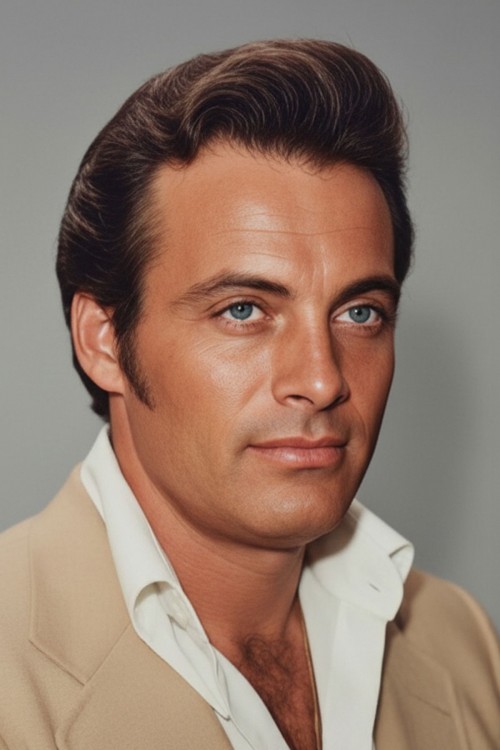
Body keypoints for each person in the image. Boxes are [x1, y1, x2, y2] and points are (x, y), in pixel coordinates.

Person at [0, 39, 498, 750]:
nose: (322, 380)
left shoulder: (463, 642)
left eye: (360, 313)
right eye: (243, 310)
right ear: (104, 340)